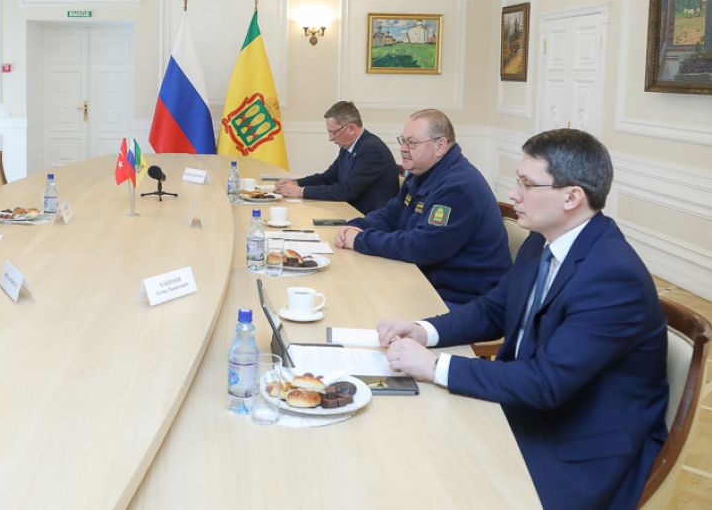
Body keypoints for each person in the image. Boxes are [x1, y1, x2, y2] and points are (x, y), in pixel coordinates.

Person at [377, 129, 667, 510]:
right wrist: (423, 330)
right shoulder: (542, 240)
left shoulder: (613, 276)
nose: (513, 195)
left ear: (572, 197)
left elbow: (546, 383)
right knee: (405, 444)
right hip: (531, 406)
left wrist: (434, 366)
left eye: (527, 185)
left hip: (579, 444)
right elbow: (495, 308)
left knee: (437, 477)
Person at [335, 108, 510, 305]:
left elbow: (421, 247)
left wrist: (360, 240)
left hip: (463, 300)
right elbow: (391, 214)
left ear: (440, 146)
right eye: (403, 141)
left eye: (412, 143)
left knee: (364, 305)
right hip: (424, 281)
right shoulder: (421, 173)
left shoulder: (459, 186)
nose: (403, 148)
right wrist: (356, 226)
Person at [274, 101, 399, 214]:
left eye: (333, 132)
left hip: (369, 220)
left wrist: (301, 192)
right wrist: (296, 183)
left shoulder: (372, 150)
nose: (330, 138)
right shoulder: (349, 146)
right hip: (351, 211)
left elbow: (346, 191)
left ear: (351, 128)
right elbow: (328, 177)